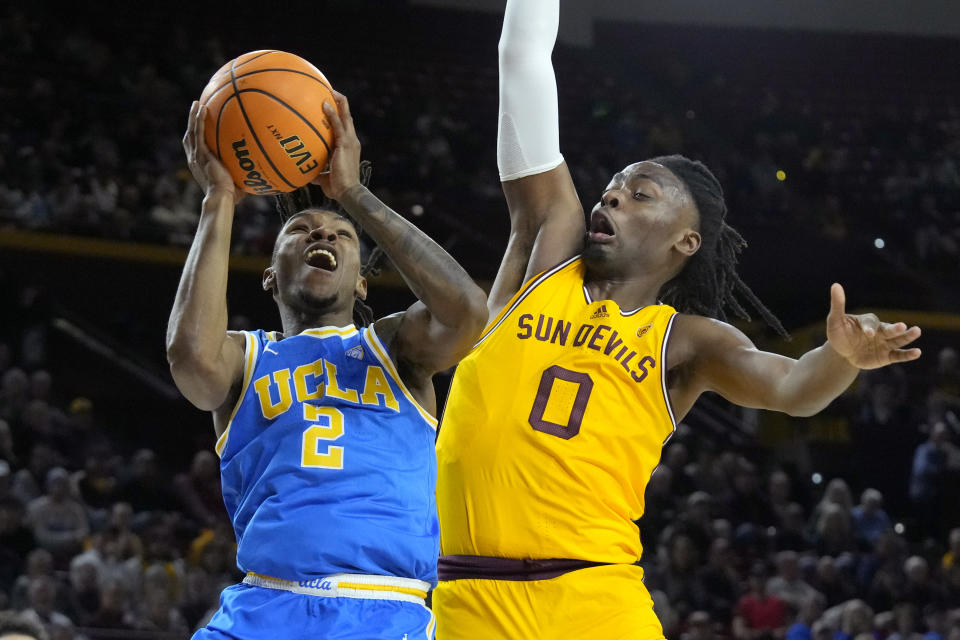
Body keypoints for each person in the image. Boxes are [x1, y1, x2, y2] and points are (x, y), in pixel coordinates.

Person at [432, 0, 923, 637]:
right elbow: (521, 59)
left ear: (684, 243)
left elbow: (794, 390)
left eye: (640, 194)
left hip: (594, 597)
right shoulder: (544, 259)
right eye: (612, 186)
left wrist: (841, 359)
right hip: (471, 599)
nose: (611, 195)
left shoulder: (685, 341)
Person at [168, 90, 487, 640]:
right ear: (269, 276)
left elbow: (466, 311)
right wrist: (219, 198)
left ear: (362, 281)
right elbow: (191, 361)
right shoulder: (247, 357)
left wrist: (352, 194)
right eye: (300, 231)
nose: (322, 234)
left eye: (342, 236)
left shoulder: (393, 349)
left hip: (384, 609)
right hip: (263, 605)